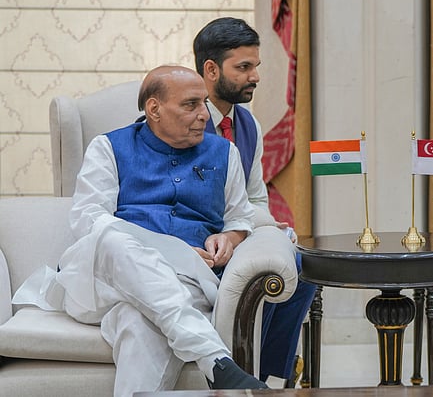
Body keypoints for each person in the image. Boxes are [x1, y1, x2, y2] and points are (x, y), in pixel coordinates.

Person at [16, 66, 268, 396]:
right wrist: (168, 252)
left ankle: (215, 363)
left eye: (204, 103)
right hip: (100, 283)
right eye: (190, 105)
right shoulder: (108, 147)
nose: (205, 115)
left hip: (186, 283)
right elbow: (88, 220)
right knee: (111, 237)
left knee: (139, 324)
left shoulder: (225, 153)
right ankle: (214, 358)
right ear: (154, 109)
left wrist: (231, 237)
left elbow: (240, 217)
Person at [193, 17, 316, 385]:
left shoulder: (249, 125)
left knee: (303, 265)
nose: (256, 77)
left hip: (238, 236)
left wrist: (265, 226)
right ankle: (249, 378)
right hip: (200, 241)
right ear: (211, 70)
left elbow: (255, 196)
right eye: (244, 67)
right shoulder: (182, 120)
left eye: (256, 66)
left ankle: (266, 378)